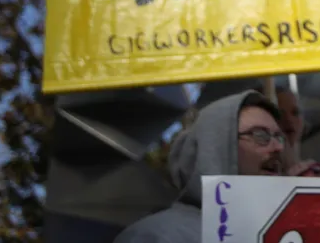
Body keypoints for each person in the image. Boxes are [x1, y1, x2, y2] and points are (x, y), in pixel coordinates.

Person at [115, 90, 287, 243]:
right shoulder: (158, 236)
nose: (278, 147)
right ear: (216, 148)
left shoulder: (277, 231)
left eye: (278, 137)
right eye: (260, 135)